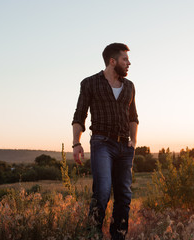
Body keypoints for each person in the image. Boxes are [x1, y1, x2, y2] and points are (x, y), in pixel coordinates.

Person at [71, 43, 138, 239]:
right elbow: (79, 115)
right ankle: (93, 234)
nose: (129, 63)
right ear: (112, 61)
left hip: (125, 147)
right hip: (102, 144)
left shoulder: (130, 86)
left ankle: (118, 236)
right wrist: (76, 143)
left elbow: (133, 117)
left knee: (124, 197)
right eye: (125, 59)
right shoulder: (90, 83)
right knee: (102, 192)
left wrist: (133, 141)